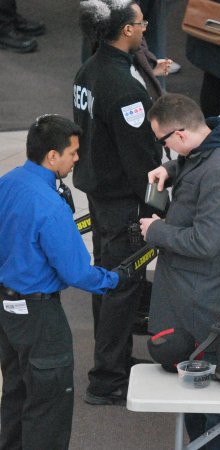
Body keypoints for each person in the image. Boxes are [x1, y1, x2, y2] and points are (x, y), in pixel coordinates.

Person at [0, 115, 124, 449]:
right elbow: (76, 272)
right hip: (41, 318)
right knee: (49, 408)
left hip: (8, 314)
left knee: (16, 394)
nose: (77, 158)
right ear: (52, 157)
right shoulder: (51, 206)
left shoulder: (7, 183)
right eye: (72, 152)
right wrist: (114, 280)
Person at [140, 93, 220, 449]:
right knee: (193, 396)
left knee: (216, 406)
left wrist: (155, 231)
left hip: (208, 307)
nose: (165, 150)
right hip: (192, 299)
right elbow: (195, 162)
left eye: (163, 143)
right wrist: (171, 170)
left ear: (181, 135)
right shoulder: (206, 145)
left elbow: (206, 242)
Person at [73, 0, 163, 406]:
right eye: (141, 23)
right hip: (123, 200)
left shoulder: (87, 70)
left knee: (107, 278)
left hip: (98, 190)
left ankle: (115, 362)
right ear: (127, 30)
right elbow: (141, 158)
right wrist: (155, 205)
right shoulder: (124, 87)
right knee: (121, 284)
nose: (145, 28)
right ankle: (108, 377)